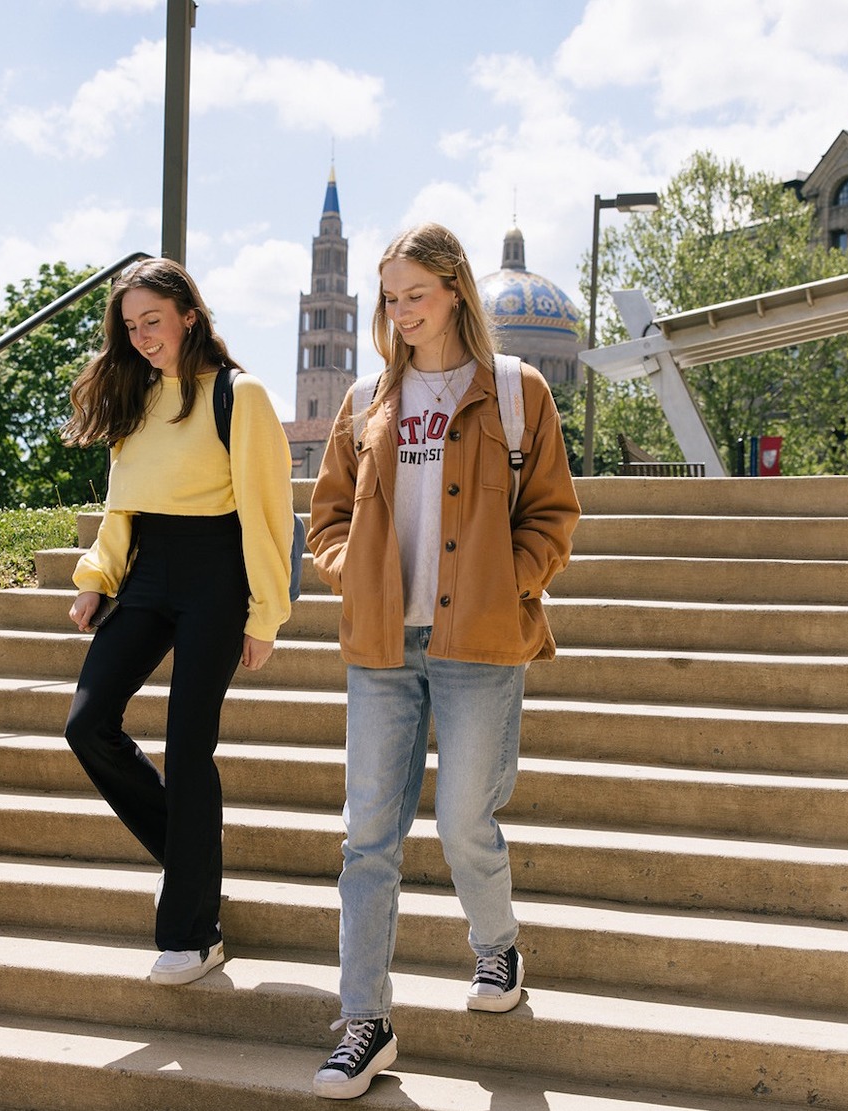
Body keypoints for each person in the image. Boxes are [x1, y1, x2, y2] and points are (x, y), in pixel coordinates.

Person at [305, 223, 580, 1098]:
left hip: (480, 643)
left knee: (464, 820)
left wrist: (512, 582)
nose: (400, 311)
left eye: (414, 294)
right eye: (390, 297)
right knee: (367, 838)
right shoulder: (366, 398)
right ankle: (364, 1020)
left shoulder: (513, 390)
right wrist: (360, 578)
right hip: (384, 646)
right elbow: (327, 522)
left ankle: (497, 947)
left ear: (456, 289)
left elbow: (553, 514)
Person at [61, 258, 294, 987]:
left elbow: (266, 508)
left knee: (189, 745)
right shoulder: (134, 395)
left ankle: (193, 932)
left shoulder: (238, 394)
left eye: (152, 321)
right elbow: (120, 502)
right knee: (86, 722)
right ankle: (196, 863)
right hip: (148, 570)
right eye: (129, 328)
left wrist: (266, 612)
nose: (141, 338)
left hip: (217, 573)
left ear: (188, 313)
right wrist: (97, 579)